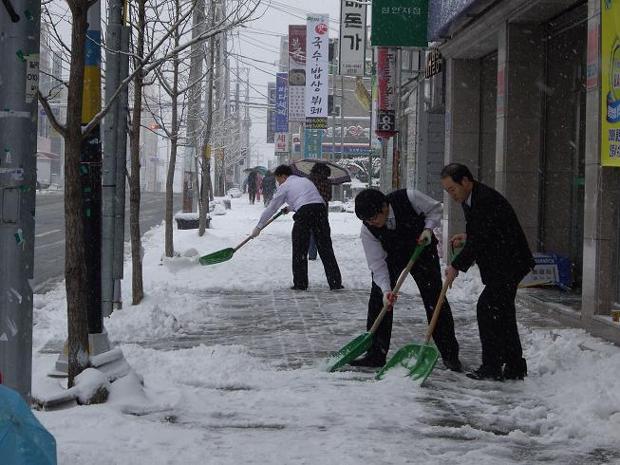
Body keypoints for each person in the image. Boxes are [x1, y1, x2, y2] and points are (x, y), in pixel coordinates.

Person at [441, 163, 534, 381]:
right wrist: (467, 235)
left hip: (510, 262)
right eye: (447, 191)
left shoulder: (485, 200)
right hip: (501, 261)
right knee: (502, 313)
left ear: (465, 181)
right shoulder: (469, 198)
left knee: (488, 308)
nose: (451, 195)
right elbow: (483, 230)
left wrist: (456, 265)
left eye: (452, 189)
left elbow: (481, 239)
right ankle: (514, 365)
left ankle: (492, 366)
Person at [351, 188, 461, 370]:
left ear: (384, 207)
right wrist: (387, 291)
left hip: (422, 248)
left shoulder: (408, 197)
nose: (372, 223)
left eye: (373, 218)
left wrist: (428, 229)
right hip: (392, 256)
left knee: (434, 299)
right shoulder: (368, 230)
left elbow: (435, 209)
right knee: (379, 298)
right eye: (367, 220)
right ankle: (376, 354)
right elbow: (377, 265)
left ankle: (450, 355)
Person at [250, 164, 343, 291]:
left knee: (300, 249)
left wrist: (259, 227)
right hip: (320, 210)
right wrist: (290, 208)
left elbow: (272, 207)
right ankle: (335, 282)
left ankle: (300, 283)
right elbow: (309, 198)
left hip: (305, 213)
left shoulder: (285, 186)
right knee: (325, 248)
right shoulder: (305, 181)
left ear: (283, 176)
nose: (278, 183)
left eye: (278, 180)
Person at [307, 163, 332, 260]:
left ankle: (310, 253)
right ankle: (324, 253)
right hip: (322, 209)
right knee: (321, 231)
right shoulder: (327, 182)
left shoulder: (308, 180)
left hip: (308, 207)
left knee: (309, 229)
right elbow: (329, 197)